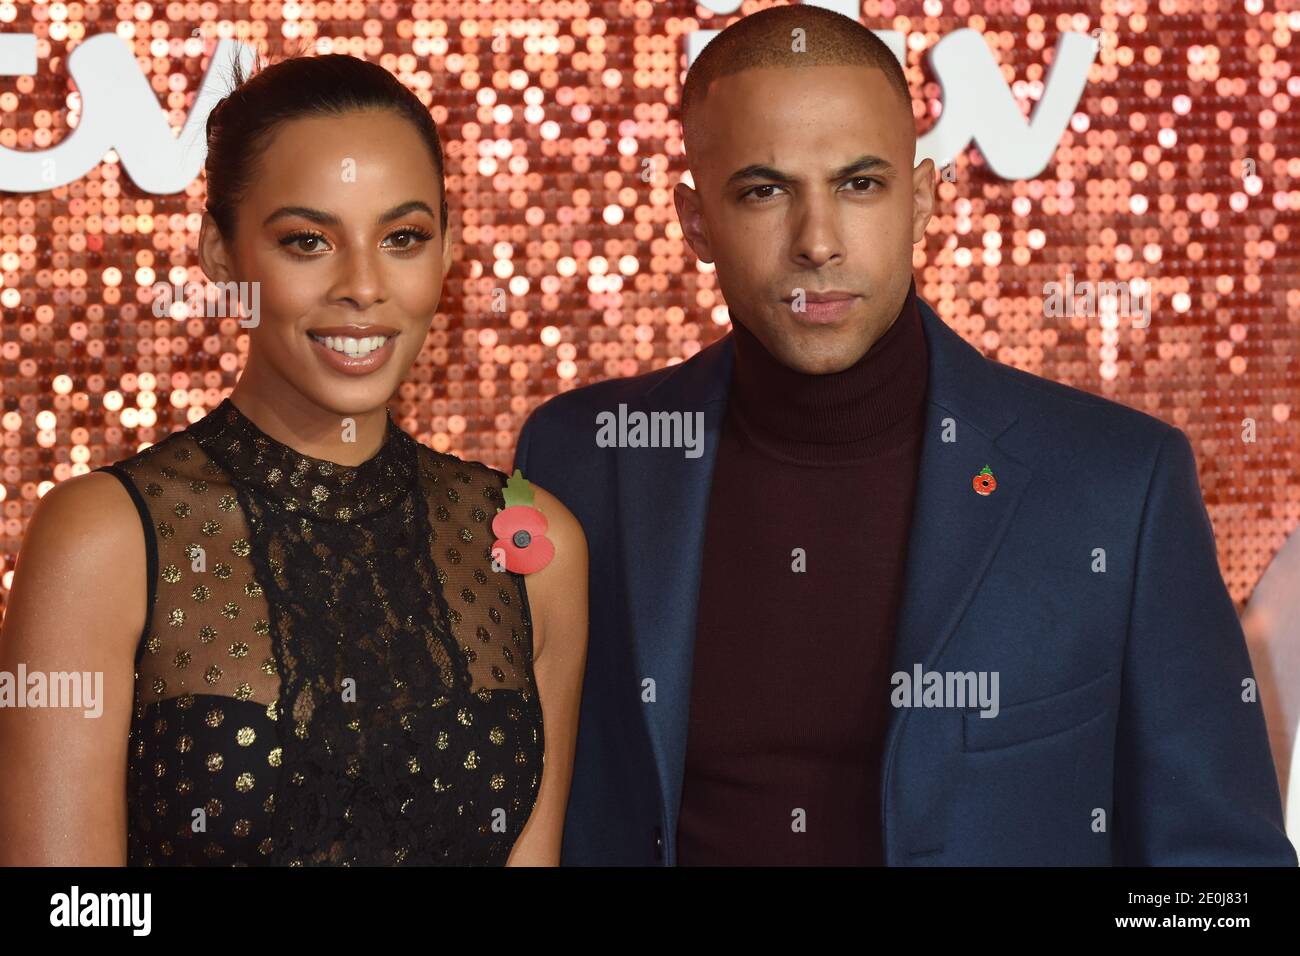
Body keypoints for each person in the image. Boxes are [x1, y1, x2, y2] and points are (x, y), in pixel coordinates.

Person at [512, 5, 1296, 865]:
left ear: (922, 198)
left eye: (860, 184)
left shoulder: (1119, 487)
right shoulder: (582, 459)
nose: (817, 242)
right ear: (696, 221)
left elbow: (1221, 881)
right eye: (765, 190)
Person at [0, 54, 588, 866]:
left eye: (403, 238)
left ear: (449, 252)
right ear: (220, 252)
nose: (362, 286)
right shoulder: (106, 538)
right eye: (308, 241)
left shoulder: (530, 544)